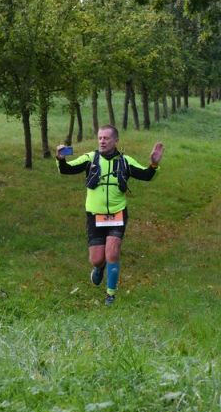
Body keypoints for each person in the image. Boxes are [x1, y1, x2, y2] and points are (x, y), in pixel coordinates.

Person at [56, 125, 164, 306]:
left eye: (106, 138)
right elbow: (67, 169)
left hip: (117, 213)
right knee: (97, 259)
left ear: (116, 141)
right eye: (100, 138)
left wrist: (153, 164)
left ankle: (110, 295)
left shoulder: (125, 161)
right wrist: (60, 159)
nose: (102, 141)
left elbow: (147, 176)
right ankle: (99, 268)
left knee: (113, 253)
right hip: (95, 214)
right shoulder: (90, 158)